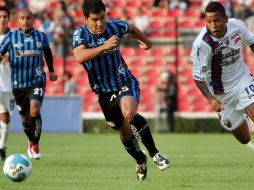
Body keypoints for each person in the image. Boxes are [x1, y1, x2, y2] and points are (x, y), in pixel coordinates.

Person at [72, 0, 170, 181]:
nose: (100, 23)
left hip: (124, 81)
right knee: (124, 133)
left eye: (103, 17)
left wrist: (146, 42)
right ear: (85, 19)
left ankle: (155, 154)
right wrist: (104, 47)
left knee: (129, 113)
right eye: (95, 19)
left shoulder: (114, 26)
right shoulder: (80, 34)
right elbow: (79, 56)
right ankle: (140, 160)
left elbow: (131, 28)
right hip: (103, 93)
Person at [191, 1, 254, 145]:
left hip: (242, 79)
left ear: (225, 18)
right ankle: (241, 109)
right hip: (221, 93)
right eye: (209, 22)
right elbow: (197, 77)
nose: (213, 25)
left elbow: (252, 43)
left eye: (217, 20)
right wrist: (211, 99)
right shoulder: (202, 44)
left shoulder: (237, 26)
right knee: (245, 139)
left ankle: (246, 103)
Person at [0, 9, 58, 159]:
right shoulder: (11, 37)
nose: (25, 21)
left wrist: (51, 70)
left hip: (37, 80)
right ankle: (31, 141)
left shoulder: (40, 36)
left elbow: (48, 52)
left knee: (35, 110)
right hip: (18, 84)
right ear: (17, 20)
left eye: (28, 18)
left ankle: (36, 145)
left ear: (33, 19)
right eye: (22, 18)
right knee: (25, 119)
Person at [0, 6, 14, 161]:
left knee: (5, 117)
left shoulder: (14, 38)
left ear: (9, 19)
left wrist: (10, 60)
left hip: (10, 84)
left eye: (4, 16)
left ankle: (2, 146)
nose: (2, 19)